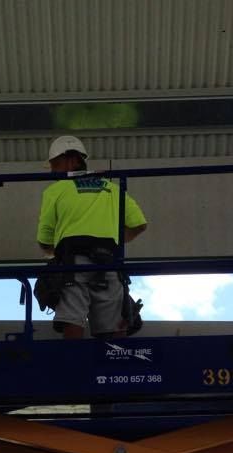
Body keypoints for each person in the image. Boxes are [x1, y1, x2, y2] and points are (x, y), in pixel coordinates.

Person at [36, 136, 147, 339]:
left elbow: (45, 241)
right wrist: (111, 241)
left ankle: (73, 359)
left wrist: (54, 252)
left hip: (72, 265)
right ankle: (114, 359)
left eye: (55, 165)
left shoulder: (55, 190)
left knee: (71, 319)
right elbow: (139, 224)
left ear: (71, 160)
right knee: (114, 328)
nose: (52, 171)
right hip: (109, 263)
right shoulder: (113, 188)